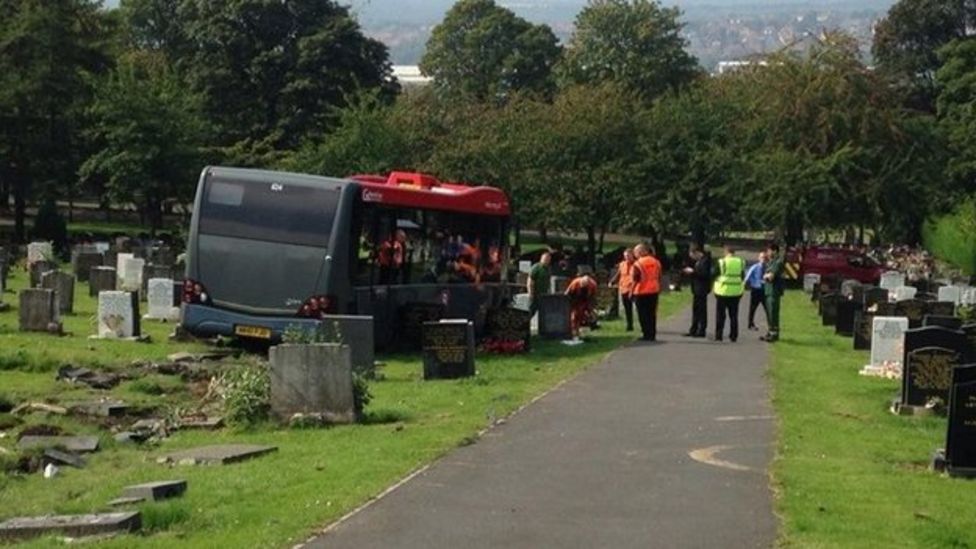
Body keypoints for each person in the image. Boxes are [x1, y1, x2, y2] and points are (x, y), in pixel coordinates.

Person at [713, 244, 746, 342]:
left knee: (720, 315)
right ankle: (733, 335)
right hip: (736, 291)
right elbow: (742, 275)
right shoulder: (740, 262)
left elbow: (715, 274)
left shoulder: (722, 262)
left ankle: (719, 336)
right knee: (734, 315)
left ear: (726, 252)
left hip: (722, 291)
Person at [630, 243, 662, 342]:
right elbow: (659, 275)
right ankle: (652, 334)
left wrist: (631, 291)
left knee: (642, 314)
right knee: (652, 314)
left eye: (635, 252)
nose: (635, 254)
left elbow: (636, 279)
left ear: (641, 252)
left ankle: (646, 334)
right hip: (654, 291)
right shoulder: (656, 262)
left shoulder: (638, 264)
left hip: (641, 291)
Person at [682, 245, 711, 338]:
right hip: (696, 288)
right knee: (696, 310)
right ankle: (693, 329)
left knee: (702, 310)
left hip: (702, 289)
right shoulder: (699, 262)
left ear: (697, 253)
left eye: (692, 255)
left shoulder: (705, 261)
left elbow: (705, 274)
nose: (692, 258)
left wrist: (693, 272)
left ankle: (701, 330)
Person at [762, 243, 786, 342]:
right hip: (768, 290)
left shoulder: (778, 262)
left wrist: (766, 276)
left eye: (769, 251)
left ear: (774, 251)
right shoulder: (771, 262)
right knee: (769, 313)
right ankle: (769, 332)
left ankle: (774, 334)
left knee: (773, 313)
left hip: (774, 291)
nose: (767, 253)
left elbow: (771, 276)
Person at [608, 249, 636, 331]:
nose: (627, 257)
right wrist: (612, 282)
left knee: (633, 307)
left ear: (632, 256)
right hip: (623, 288)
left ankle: (635, 323)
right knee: (627, 307)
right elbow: (618, 274)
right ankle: (629, 325)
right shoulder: (622, 264)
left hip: (632, 288)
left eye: (628, 256)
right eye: (625, 256)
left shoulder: (636, 265)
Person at [565, 273, 597, 338]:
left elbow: (593, 297)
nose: (583, 286)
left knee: (582, 315)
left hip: (585, 299)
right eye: (582, 285)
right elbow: (567, 293)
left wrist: (591, 308)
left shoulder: (593, 285)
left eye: (585, 286)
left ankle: (579, 329)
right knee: (574, 315)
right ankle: (572, 330)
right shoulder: (575, 283)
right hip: (574, 298)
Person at [745, 251, 768, 331]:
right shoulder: (755, 267)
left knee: (767, 308)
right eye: (762, 257)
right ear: (759, 258)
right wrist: (751, 283)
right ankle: (750, 324)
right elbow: (747, 277)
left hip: (765, 290)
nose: (763, 259)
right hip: (756, 290)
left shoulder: (768, 268)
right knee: (753, 308)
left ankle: (770, 325)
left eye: (765, 258)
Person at [527, 252, 552, 317]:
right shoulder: (536, 267)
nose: (546, 260)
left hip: (543, 295)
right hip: (535, 295)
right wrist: (531, 293)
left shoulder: (548, 269)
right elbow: (530, 281)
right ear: (541, 259)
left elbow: (548, 281)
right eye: (545, 259)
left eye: (548, 259)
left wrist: (549, 291)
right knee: (531, 312)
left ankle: (542, 326)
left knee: (543, 313)